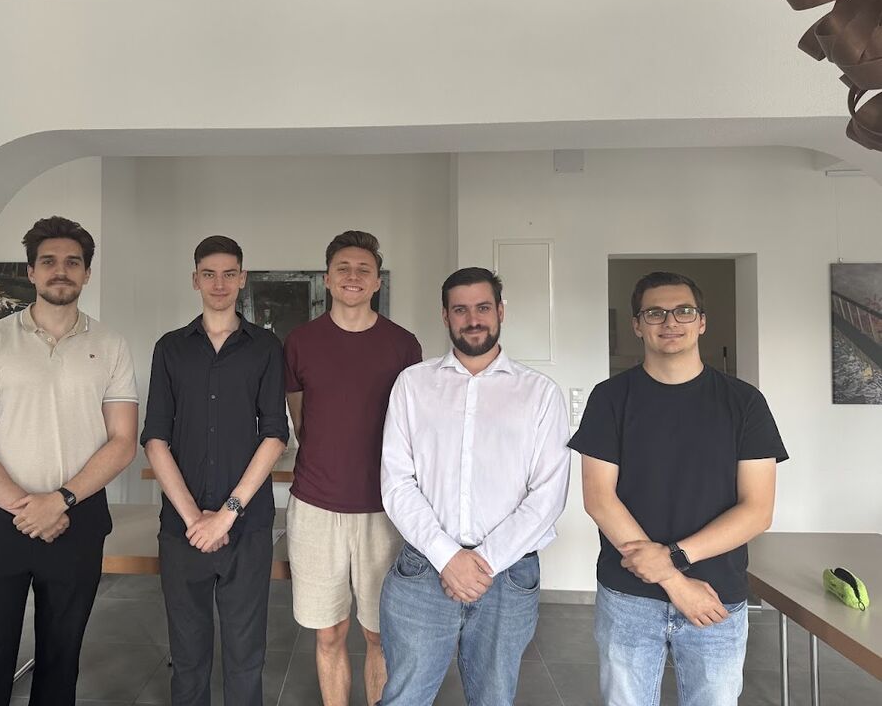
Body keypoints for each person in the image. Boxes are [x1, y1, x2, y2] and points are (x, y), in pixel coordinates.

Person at [568, 271, 788, 706]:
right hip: (628, 598)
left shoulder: (745, 402)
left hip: (715, 596)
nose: (670, 321)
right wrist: (673, 578)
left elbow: (757, 510)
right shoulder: (610, 398)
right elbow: (599, 499)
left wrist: (673, 560)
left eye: (683, 311)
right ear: (637, 325)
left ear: (701, 321)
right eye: (655, 313)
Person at [0, 216, 139, 706]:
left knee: (61, 662)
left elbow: (123, 441)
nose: (61, 270)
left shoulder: (111, 345)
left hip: (77, 517)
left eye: (73, 262)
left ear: (87, 273)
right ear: (31, 271)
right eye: (48, 261)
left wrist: (60, 500)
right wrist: (28, 507)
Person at [379, 267, 571, 706]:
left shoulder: (540, 393)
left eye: (483, 307)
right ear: (445, 316)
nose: (473, 319)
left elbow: (548, 495)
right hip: (424, 568)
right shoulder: (413, 384)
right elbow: (396, 481)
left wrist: (481, 563)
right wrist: (448, 557)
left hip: (509, 575)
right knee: (404, 698)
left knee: (494, 698)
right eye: (460, 310)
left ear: (500, 311)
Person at [141, 235, 288, 706]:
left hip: (246, 527)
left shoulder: (266, 347)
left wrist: (225, 516)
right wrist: (195, 519)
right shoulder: (170, 348)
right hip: (181, 530)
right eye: (209, 274)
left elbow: (275, 435)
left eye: (228, 274)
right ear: (195, 280)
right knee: (187, 658)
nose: (219, 283)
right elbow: (155, 438)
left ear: (242, 279)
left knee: (246, 657)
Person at [284, 230, 422, 706]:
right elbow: (302, 421)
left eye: (364, 269)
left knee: (381, 634)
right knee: (329, 633)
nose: (353, 276)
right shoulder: (300, 342)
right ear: (327, 278)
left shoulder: (403, 345)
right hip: (315, 508)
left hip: (385, 510)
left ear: (377, 282)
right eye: (342, 268)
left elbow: (411, 426)